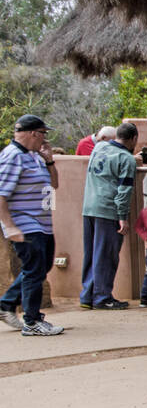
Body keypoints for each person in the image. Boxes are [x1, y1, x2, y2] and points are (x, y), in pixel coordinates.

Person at [0, 115, 63, 336]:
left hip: (43, 222)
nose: (45, 139)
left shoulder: (35, 156)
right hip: (24, 222)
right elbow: (1, 194)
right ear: (34, 133)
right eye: (43, 134)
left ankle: (6, 304)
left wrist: (49, 161)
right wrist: (10, 227)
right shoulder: (12, 156)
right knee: (34, 269)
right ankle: (32, 321)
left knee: (41, 267)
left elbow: (54, 185)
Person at [80, 122, 139, 310]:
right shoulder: (126, 159)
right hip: (107, 210)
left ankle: (87, 295)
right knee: (106, 255)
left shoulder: (99, 147)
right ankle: (102, 297)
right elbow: (124, 191)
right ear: (134, 139)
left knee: (91, 253)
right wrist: (123, 216)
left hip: (89, 207)